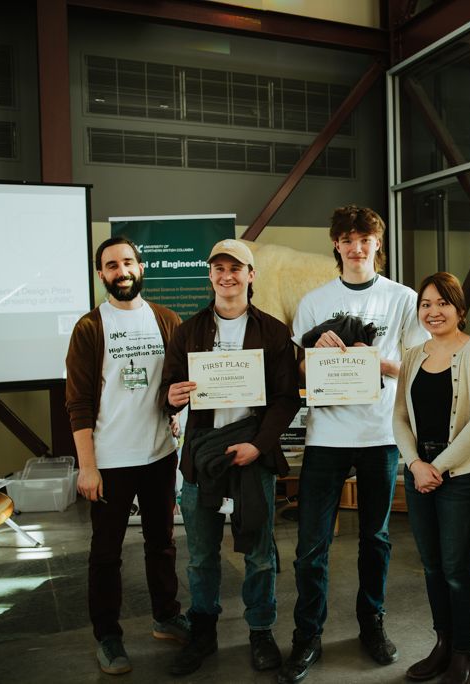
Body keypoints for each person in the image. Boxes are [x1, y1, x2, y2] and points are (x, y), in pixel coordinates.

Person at [279, 205, 428, 684]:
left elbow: (423, 366)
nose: (356, 246)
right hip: (326, 437)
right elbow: (298, 370)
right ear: (336, 245)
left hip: (380, 436)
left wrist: (377, 362)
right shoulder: (314, 301)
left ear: (377, 244)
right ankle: (308, 635)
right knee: (311, 544)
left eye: (364, 238)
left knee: (376, 539)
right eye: (346, 238)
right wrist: (313, 357)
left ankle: (371, 623)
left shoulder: (403, 299)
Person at [161, 238, 300, 676]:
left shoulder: (274, 333)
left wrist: (258, 445)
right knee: (201, 555)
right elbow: (168, 392)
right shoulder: (188, 332)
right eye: (219, 268)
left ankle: (261, 630)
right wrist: (172, 395)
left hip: (252, 454)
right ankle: (204, 630)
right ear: (210, 276)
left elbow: (285, 399)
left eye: (236, 268)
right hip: (202, 456)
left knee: (259, 553)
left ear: (250, 275)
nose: (227, 275)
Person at [65, 236, 188, 675]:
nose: (122, 271)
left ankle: (166, 616)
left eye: (128, 262)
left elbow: (176, 383)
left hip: (158, 455)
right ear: (102, 274)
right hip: (110, 461)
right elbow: (77, 403)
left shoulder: (166, 320)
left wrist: (173, 410)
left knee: (163, 544)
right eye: (112, 265)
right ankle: (109, 637)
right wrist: (88, 466)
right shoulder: (90, 327)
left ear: (141, 268)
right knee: (106, 553)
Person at [392, 272, 470, 684]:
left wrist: (438, 467)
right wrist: (416, 464)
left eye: (442, 304)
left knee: (456, 568)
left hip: (462, 476)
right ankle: (440, 643)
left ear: (459, 309)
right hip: (419, 473)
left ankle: (461, 652)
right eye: (426, 304)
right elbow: (400, 417)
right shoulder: (413, 355)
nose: (433, 312)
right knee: (432, 567)